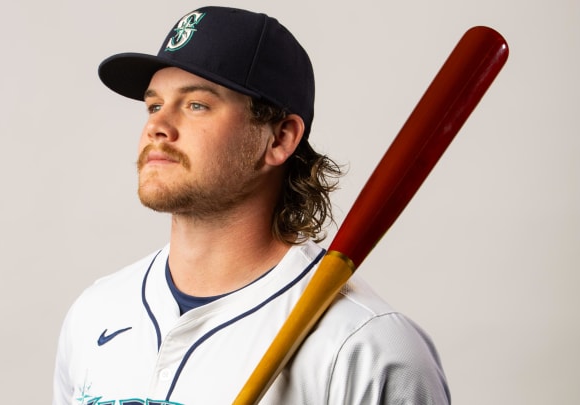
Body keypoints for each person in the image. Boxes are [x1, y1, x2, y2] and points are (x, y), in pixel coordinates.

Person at [53, 6, 450, 405]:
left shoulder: (365, 345)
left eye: (196, 105)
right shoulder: (95, 313)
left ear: (279, 138)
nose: (158, 126)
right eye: (154, 105)